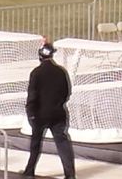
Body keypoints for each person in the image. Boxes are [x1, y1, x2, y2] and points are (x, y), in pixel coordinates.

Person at [21, 41, 75, 179]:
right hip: (58, 113)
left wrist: (31, 114)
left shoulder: (36, 73)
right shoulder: (61, 72)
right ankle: (70, 174)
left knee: (35, 145)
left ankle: (29, 172)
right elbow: (67, 93)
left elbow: (32, 96)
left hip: (40, 115)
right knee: (62, 143)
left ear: (40, 56)